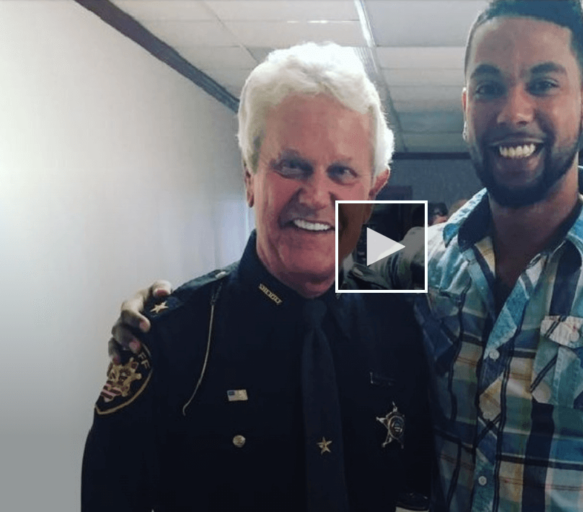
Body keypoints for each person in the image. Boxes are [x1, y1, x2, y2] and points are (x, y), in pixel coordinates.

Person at [110, 1, 583, 511]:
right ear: (467, 109)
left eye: (543, 83)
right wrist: (156, 323)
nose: (514, 110)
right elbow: (306, 245)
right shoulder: (424, 253)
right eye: (490, 86)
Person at [82, 42, 433, 512]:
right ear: (249, 176)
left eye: (342, 172)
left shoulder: (404, 324)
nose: (315, 195)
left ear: (372, 192)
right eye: (292, 165)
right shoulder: (172, 342)